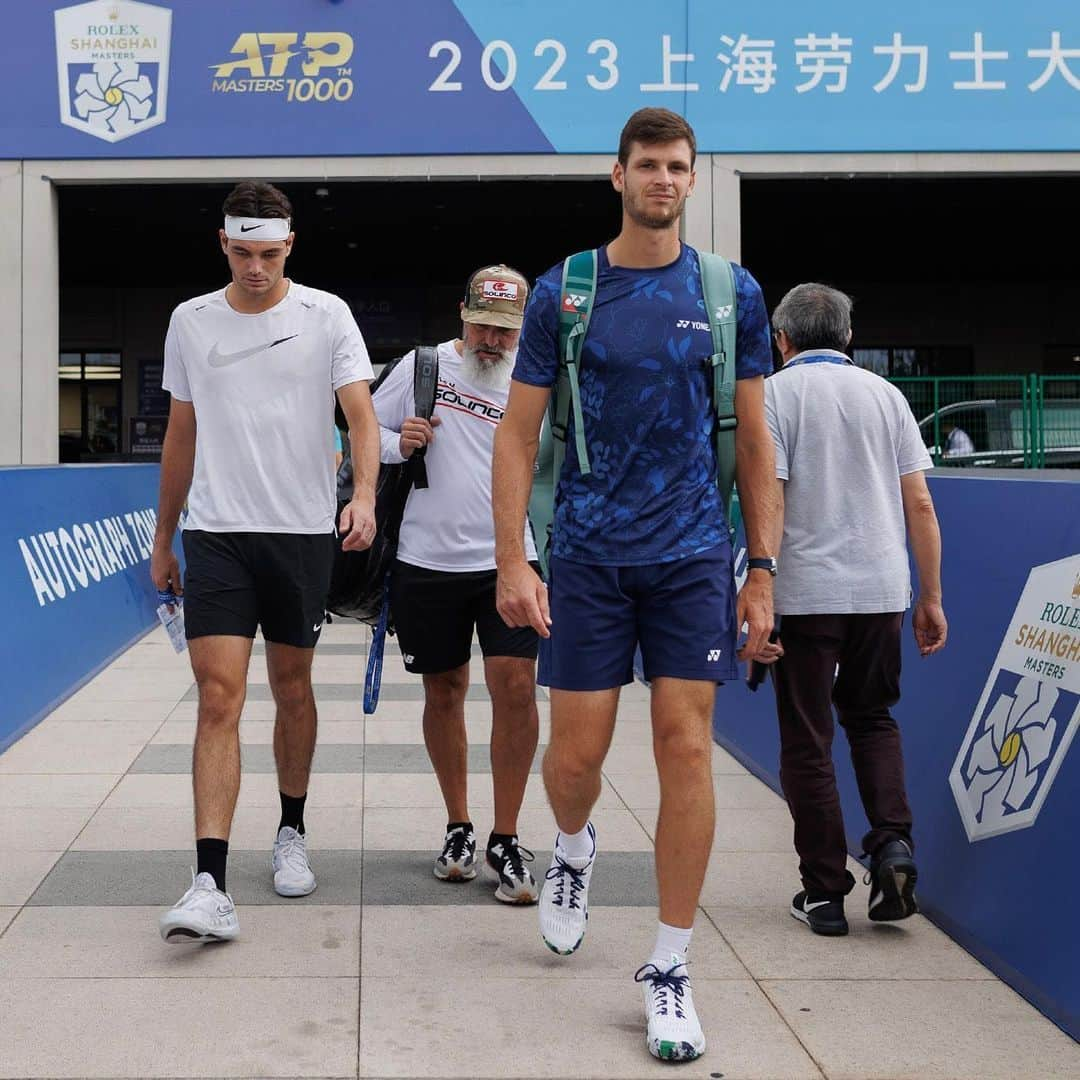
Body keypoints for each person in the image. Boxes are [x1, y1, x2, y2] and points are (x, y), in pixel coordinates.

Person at [492, 109, 777, 1063]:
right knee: (573, 762)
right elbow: (517, 436)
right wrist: (513, 558)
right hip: (586, 555)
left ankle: (669, 964)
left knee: (684, 746)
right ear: (616, 176)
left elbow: (756, 440)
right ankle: (573, 848)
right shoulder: (565, 291)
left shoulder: (728, 291)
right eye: (648, 165)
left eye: (678, 167)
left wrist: (762, 570)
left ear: (694, 180)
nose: (664, 180)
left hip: (694, 554)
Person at [151, 180, 379, 943]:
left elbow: (361, 416)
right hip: (217, 534)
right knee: (219, 696)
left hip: (301, 533)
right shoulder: (190, 320)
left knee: (292, 686)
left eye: (270, 254)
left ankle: (291, 828)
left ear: (290, 246)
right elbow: (179, 435)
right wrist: (164, 537)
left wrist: (367, 497)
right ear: (223, 244)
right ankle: (209, 880)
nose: (256, 267)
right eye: (243, 252)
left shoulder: (327, 314)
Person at [757, 282, 948, 938]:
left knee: (808, 739)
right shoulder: (886, 395)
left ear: (781, 339)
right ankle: (892, 846)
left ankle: (826, 890)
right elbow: (919, 503)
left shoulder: (773, 396)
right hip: (880, 592)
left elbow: (771, 497)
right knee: (872, 719)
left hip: (806, 594)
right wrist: (931, 596)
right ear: (847, 337)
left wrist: (757, 584)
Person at [372, 265, 543, 904]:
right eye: (482, 325)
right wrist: (397, 442)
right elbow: (360, 432)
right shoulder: (423, 368)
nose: (492, 341)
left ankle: (506, 835)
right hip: (426, 560)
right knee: (444, 690)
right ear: (460, 314)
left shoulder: (535, 377)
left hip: (511, 561)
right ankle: (459, 826)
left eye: (505, 330)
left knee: (516, 689)